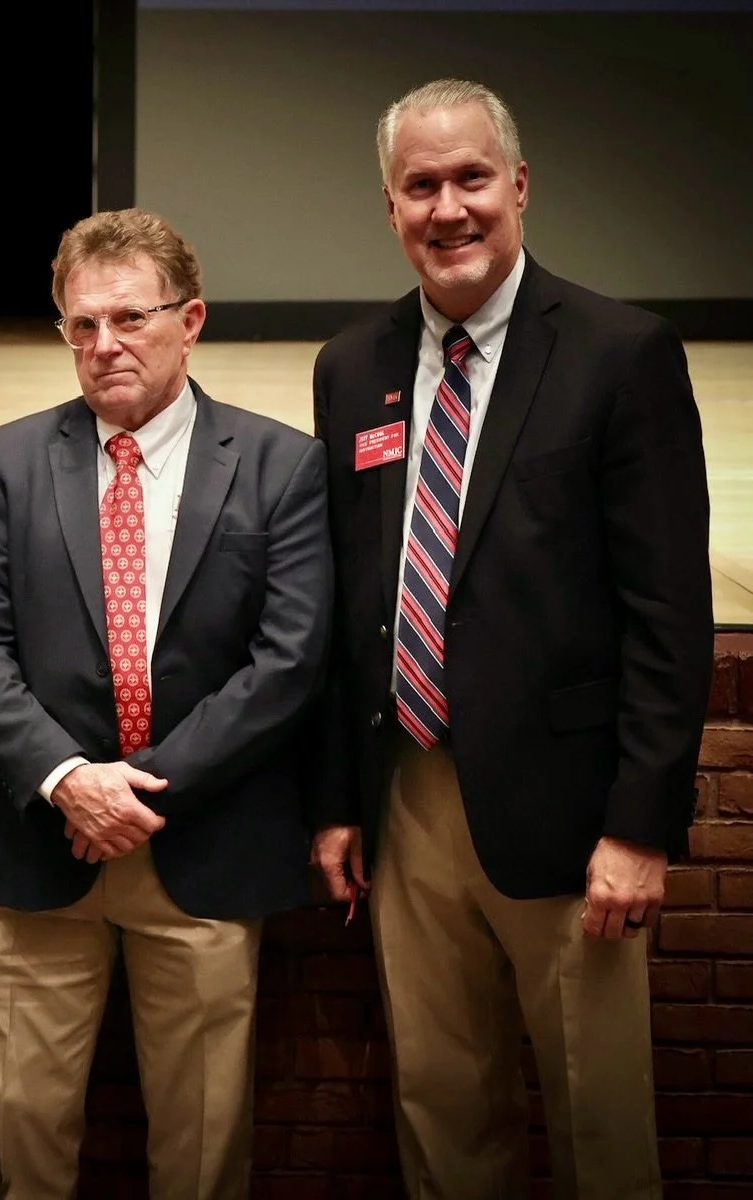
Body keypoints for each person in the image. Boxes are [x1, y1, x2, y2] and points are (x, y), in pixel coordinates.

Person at [311, 79, 713, 1199]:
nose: (449, 208)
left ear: (520, 187)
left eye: (471, 178)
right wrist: (343, 798)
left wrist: (640, 827)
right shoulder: (353, 368)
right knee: (440, 1107)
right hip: (408, 797)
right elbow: (355, 606)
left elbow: (669, 615)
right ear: (389, 207)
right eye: (420, 185)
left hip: (568, 813)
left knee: (598, 1119)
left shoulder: (617, 354)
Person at [0, 207, 332, 1200]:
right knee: (24, 1137)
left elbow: (286, 662)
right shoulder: (13, 460)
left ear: (190, 318)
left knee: (202, 1151)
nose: (103, 345)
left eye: (129, 317)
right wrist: (72, 781)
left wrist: (140, 792)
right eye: (80, 325)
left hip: (200, 849)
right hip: (43, 850)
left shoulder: (280, 464)